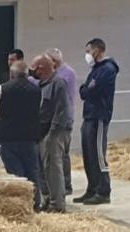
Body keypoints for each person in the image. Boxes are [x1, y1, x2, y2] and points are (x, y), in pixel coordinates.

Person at [0, 61, 44, 211]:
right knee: (32, 171)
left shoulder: (3, 88)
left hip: (9, 137)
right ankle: (35, 203)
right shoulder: (36, 90)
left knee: (15, 172)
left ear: (12, 74)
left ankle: (20, 204)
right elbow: (38, 111)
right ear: (27, 74)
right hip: (30, 137)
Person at [78, 38, 119, 205]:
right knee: (88, 155)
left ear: (98, 50)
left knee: (99, 155)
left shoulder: (107, 69)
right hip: (89, 115)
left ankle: (103, 191)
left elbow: (92, 91)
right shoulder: (95, 70)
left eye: (89, 51)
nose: (87, 55)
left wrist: (87, 89)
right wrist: (87, 88)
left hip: (100, 116)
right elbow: (83, 91)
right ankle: (92, 188)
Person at [33, 54, 72, 213]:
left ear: (41, 69)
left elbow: (62, 111)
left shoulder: (58, 83)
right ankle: (49, 199)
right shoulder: (43, 84)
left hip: (55, 133)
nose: (32, 71)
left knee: (53, 168)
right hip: (44, 133)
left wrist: (52, 134)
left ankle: (58, 204)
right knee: (44, 169)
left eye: (34, 68)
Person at [47, 48, 77, 195]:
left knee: (61, 154)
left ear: (55, 62)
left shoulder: (65, 74)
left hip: (64, 118)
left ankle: (65, 185)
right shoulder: (58, 74)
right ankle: (63, 184)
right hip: (60, 117)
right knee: (61, 154)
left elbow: (65, 99)